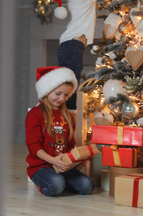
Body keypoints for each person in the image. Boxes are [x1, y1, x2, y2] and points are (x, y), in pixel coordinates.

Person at [52, 0, 120, 110]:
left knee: (66, 80)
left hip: (66, 46)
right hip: (72, 46)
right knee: (72, 79)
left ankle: (61, 107)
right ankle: (70, 108)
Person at [25, 66, 95, 196]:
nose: (62, 99)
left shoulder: (68, 116)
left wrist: (74, 161)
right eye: (58, 93)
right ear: (47, 91)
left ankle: (61, 182)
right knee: (56, 185)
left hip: (62, 166)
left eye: (66, 95)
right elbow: (34, 146)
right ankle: (44, 185)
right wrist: (53, 161)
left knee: (87, 187)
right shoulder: (35, 114)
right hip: (41, 166)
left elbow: (70, 144)